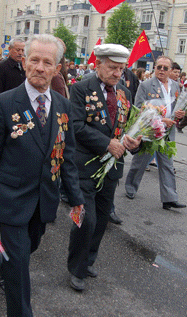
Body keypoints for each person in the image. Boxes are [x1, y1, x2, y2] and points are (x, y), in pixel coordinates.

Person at [0, 34, 84, 317]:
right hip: (13, 197)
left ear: (57, 68)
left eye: (47, 62)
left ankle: (2, 260)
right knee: (19, 268)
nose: (40, 67)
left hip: (45, 199)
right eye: (34, 60)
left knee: (26, 250)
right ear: (25, 61)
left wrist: (77, 199)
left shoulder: (64, 107)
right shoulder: (5, 103)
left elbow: (65, 157)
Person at [67, 44, 142, 291]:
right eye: (112, 68)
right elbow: (75, 126)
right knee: (86, 219)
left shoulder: (124, 94)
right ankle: (76, 268)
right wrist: (106, 144)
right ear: (98, 64)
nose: (117, 73)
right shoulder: (80, 89)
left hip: (111, 169)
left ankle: (88, 261)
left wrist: (133, 142)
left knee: (101, 221)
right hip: (85, 166)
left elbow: (127, 130)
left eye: (121, 69)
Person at [125, 56, 186, 210]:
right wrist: (160, 119)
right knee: (141, 161)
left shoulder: (176, 86)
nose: (161, 70)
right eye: (159, 67)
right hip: (150, 130)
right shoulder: (146, 85)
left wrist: (180, 114)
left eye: (165, 68)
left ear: (171, 70)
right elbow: (139, 108)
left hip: (168, 132)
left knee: (167, 164)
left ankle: (169, 198)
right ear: (155, 68)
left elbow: (177, 107)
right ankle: (131, 187)